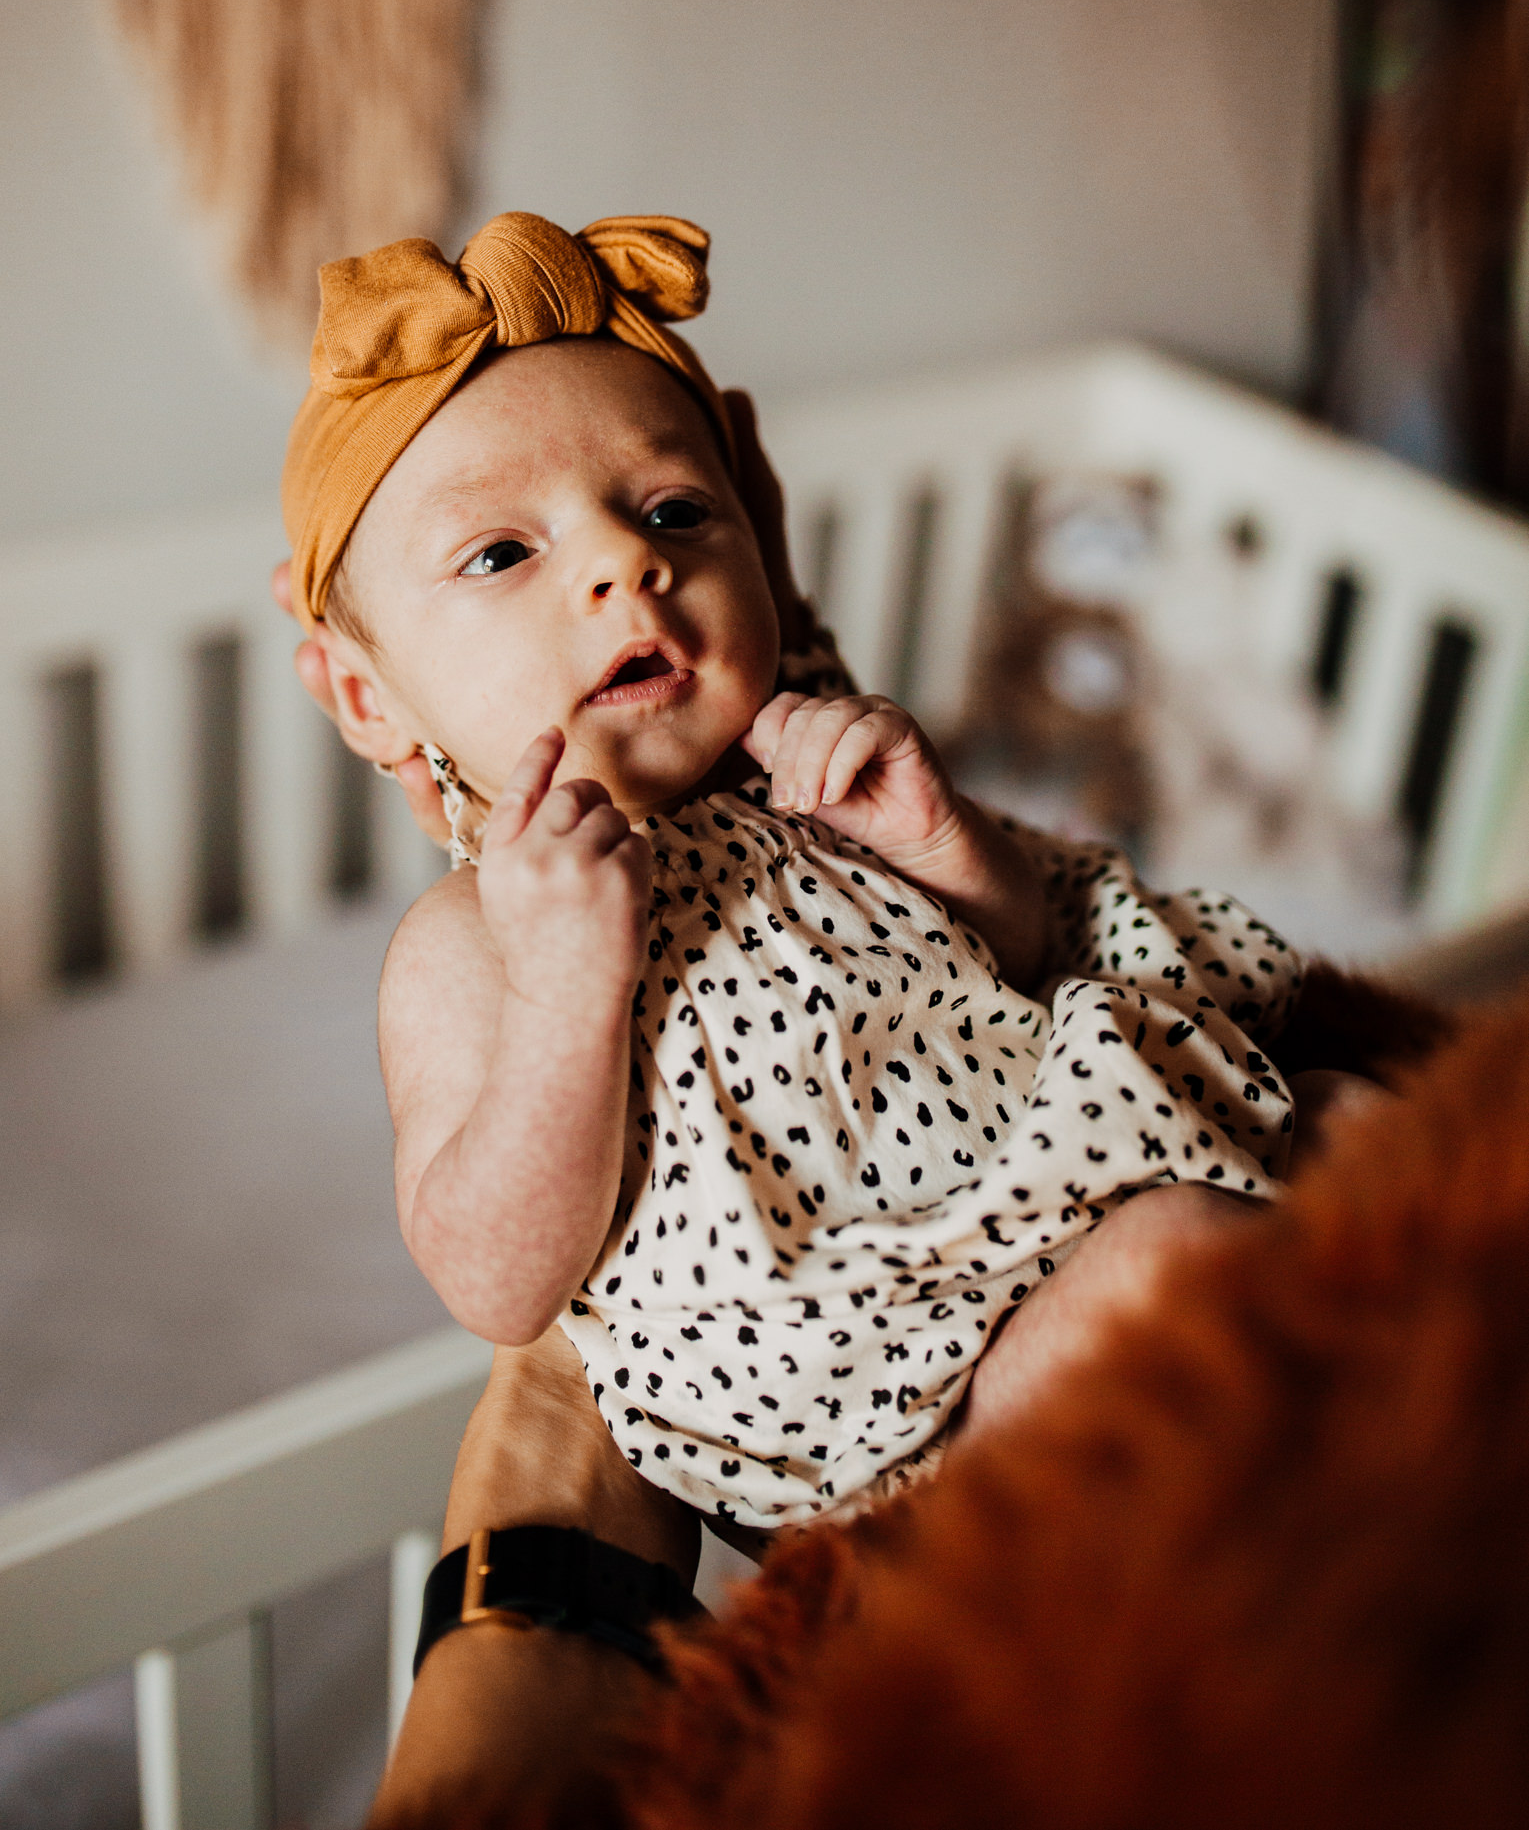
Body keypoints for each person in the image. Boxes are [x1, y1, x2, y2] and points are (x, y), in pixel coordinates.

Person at [275, 211, 1337, 1817]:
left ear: (755, 539)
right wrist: (572, 987)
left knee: (1356, 1147)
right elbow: (498, 1272)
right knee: (1188, 1265)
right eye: (503, 552)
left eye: (669, 508)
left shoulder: (802, 780)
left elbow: (1003, 978)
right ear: (369, 696)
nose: (625, 562)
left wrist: (940, 850)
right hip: (882, 1393)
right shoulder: (469, 941)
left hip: (1022, 1222)